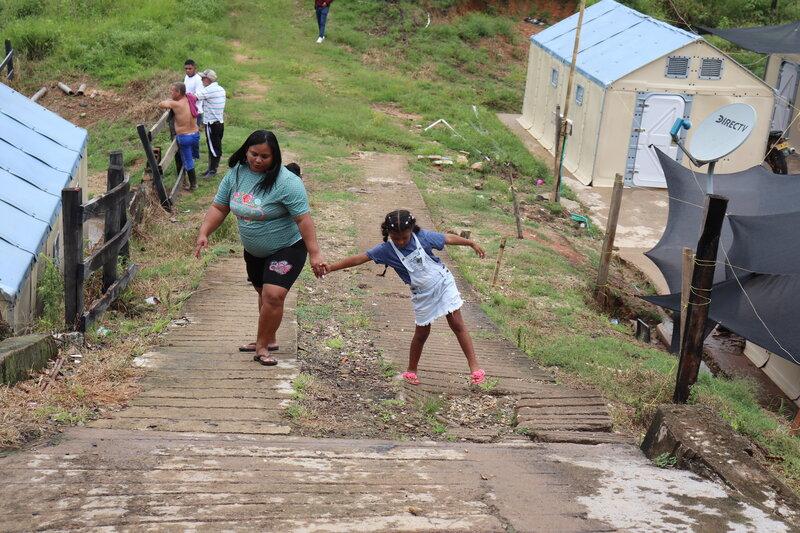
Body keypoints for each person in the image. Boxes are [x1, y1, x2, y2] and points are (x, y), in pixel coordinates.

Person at [194, 130, 325, 365]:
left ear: (275, 157)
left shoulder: (287, 183)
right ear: (246, 151)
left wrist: (315, 254)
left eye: (265, 156)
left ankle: (262, 348)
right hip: (254, 250)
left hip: (287, 247)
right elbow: (219, 207)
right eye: (254, 154)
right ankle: (269, 338)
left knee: (273, 295)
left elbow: (304, 220)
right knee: (263, 294)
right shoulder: (235, 175)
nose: (258, 160)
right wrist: (204, 232)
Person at [321, 209, 487, 385]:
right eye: (396, 238)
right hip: (422, 294)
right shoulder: (386, 250)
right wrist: (331, 267)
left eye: (404, 238)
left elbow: (447, 238)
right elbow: (359, 259)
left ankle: (475, 368)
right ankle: (411, 371)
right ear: (388, 233)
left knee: (457, 323)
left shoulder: (423, 237)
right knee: (421, 333)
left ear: (412, 230)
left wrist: (470, 243)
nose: (400, 241)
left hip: (443, 284)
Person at [158, 82, 200, 190]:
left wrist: (170, 101)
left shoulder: (176, 104)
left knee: (188, 161)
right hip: (195, 134)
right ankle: (190, 180)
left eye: (172, 91)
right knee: (192, 157)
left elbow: (161, 104)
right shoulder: (190, 99)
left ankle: (193, 184)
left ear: (179, 92)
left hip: (184, 136)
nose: (170, 92)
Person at [195, 69, 227, 177]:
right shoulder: (220, 89)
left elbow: (194, 97)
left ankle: (212, 170)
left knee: (213, 147)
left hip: (211, 123)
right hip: (219, 123)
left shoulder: (209, 90)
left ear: (208, 79)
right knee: (214, 146)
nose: (201, 80)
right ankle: (211, 169)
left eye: (203, 78)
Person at [183, 59, 203, 126]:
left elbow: (198, 96)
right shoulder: (186, 77)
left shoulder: (198, 79)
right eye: (186, 69)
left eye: (190, 68)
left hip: (195, 111)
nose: (187, 70)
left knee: (194, 134)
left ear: (195, 68)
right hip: (187, 110)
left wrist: (186, 97)